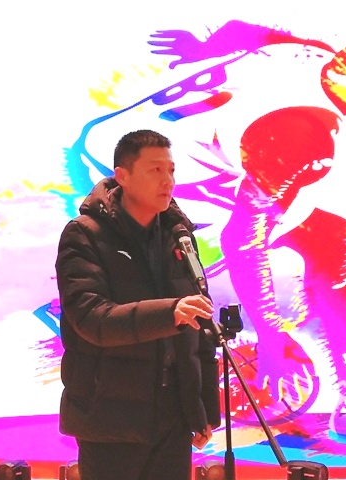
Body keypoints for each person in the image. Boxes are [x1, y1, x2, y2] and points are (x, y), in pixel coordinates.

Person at [55, 129, 221, 480]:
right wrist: (170, 312)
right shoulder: (84, 235)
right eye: (155, 170)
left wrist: (204, 408)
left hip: (173, 420)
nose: (167, 180)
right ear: (123, 176)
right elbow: (92, 319)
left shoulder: (179, 236)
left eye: (171, 170)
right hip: (109, 418)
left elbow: (201, 327)